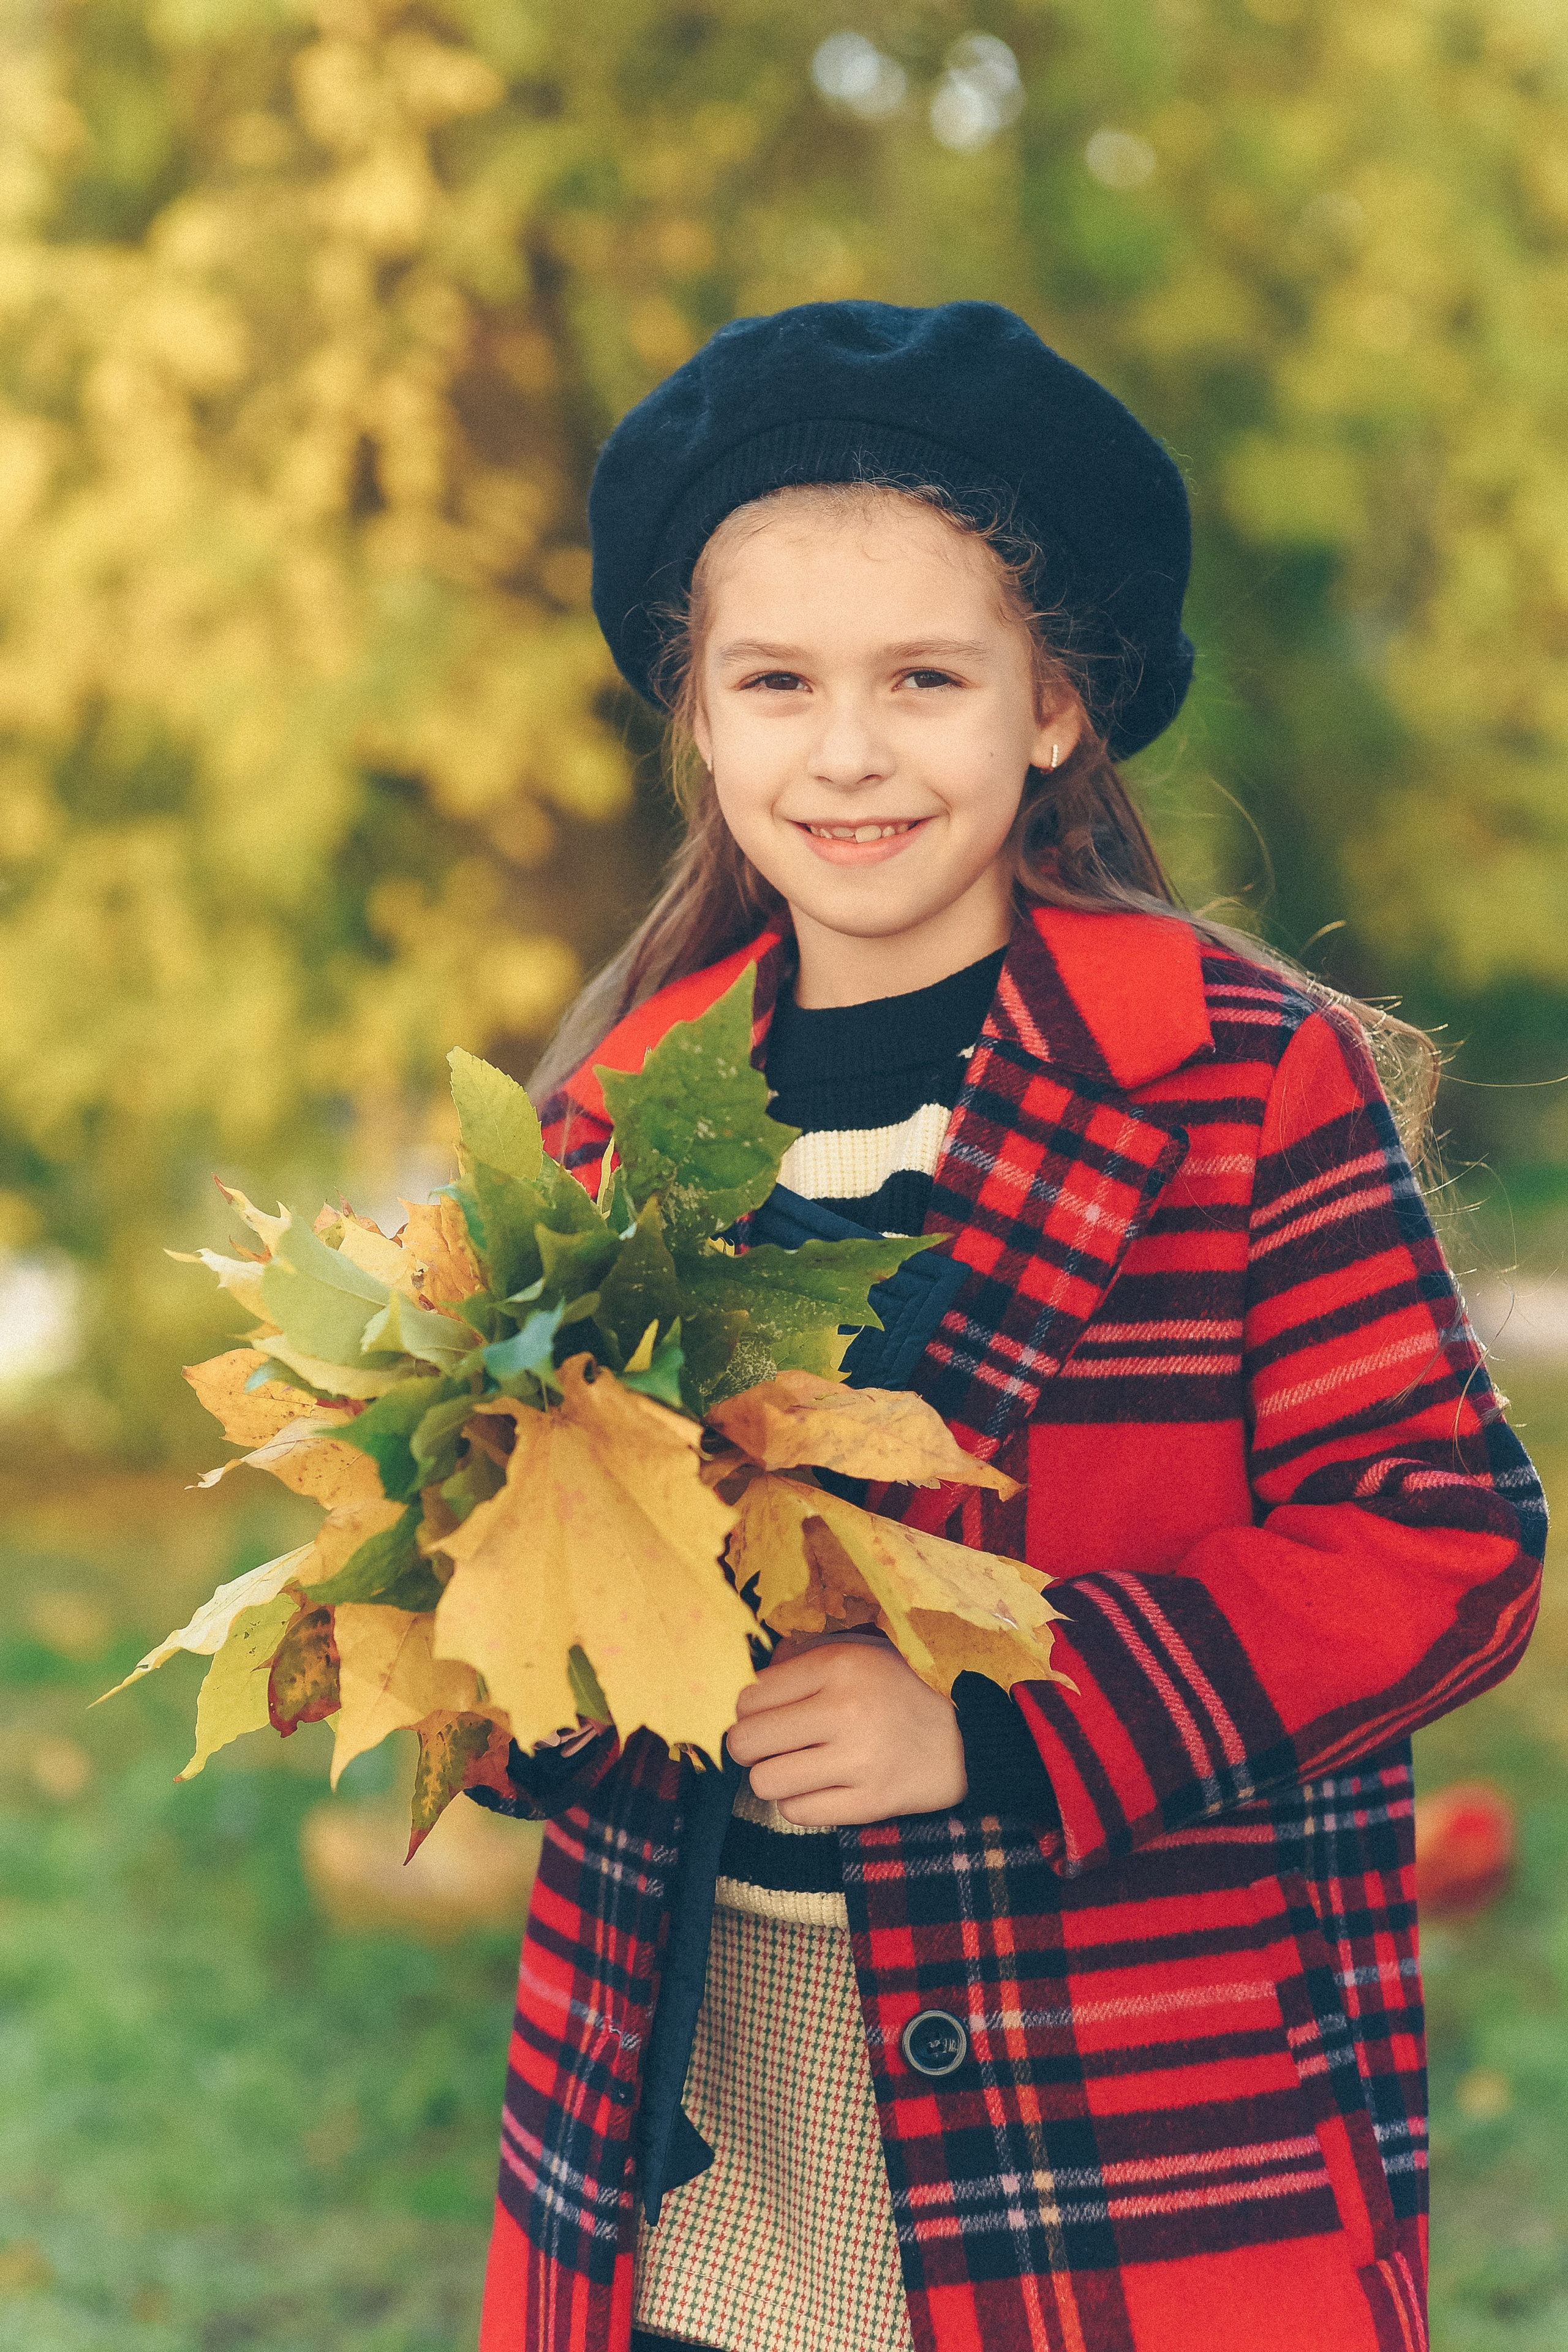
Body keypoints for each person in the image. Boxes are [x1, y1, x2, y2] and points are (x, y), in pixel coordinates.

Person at [469, 302, 1544, 2352]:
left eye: (924, 678)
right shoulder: (612, 1122)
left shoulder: (1237, 1079)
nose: (846, 751)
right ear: (699, 718)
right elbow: (557, 1611)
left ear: (1052, 706)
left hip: (1123, 2108)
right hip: (690, 2106)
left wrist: (996, 1716)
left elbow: (1443, 1544)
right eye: (776, 681)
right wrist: (494, 1633)